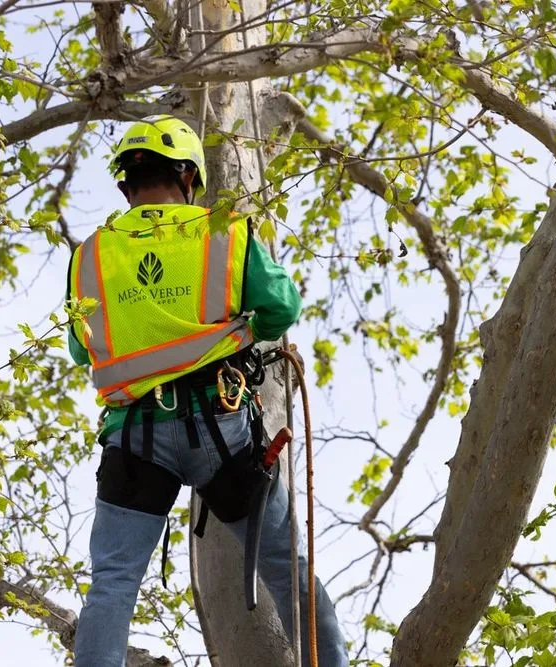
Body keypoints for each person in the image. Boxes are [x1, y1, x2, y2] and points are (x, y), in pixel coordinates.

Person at [66, 116, 349, 667]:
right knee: (286, 571)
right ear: (189, 176)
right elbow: (281, 309)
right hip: (221, 432)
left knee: (113, 585)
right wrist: (233, 330)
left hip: (135, 440)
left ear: (125, 183)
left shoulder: (91, 255)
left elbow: (83, 350)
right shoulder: (225, 231)